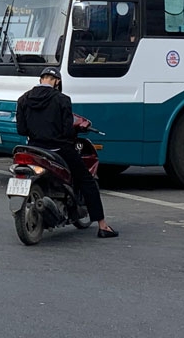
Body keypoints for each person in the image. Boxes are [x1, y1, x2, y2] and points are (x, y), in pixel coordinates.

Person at [16, 67, 118, 239]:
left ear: (41, 80)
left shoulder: (23, 99)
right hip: (58, 149)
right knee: (87, 180)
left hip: (34, 149)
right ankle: (102, 225)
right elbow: (67, 131)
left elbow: (21, 129)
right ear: (56, 81)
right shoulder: (62, 99)